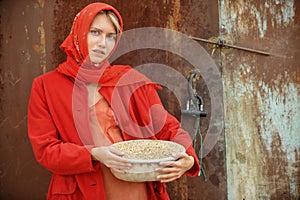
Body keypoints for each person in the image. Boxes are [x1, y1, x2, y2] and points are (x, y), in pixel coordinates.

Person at [27, 2, 200, 200]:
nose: (103, 43)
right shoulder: (46, 86)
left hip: (136, 190)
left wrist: (188, 158)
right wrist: (94, 153)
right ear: (79, 33)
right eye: (95, 32)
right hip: (79, 192)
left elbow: (168, 126)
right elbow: (46, 151)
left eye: (111, 36)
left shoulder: (130, 80)